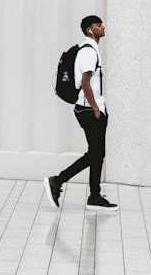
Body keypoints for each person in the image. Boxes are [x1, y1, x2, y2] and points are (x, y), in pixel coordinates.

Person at [44, 14, 117, 213]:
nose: (103, 27)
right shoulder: (88, 52)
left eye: (102, 24)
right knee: (95, 153)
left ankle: (94, 196)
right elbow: (85, 83)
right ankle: (57, 181)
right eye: (98, 25)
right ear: (89, 30)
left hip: (92, 108)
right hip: (88, 109)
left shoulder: (93, 49)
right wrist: (95, 109)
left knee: (97, 154)